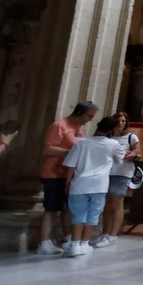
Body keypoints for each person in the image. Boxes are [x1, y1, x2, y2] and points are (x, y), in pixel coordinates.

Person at [61, 114, 130, 258]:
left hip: (79, 184)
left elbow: (70, 166)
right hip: (99, 185)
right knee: (93, 215)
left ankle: (74, 244)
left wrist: (68, 184)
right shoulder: (113, 144)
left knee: (78, 214)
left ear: (97, 125)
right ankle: (85, 243)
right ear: (111, 130)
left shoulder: (81, 143)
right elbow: (120, 159)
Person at [38, 101, 96, 255]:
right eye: (89, 116)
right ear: (79, 112)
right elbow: (47, 148)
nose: (90, 119)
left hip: (70, 174)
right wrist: (69, 152)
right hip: (54, 173)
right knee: (52, 208)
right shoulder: (59, 126)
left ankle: (67, 238)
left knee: (69, 208)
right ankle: (44, 242)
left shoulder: (79, 129)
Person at [96, 110, 142, 248]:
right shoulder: (107, 136)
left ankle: (113, 235)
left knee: (117, 202)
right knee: (107, 203)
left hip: (122, 172)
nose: (121, 123)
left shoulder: (130, 137)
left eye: (124, 121)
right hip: (106, 172)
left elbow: (139, 151)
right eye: (119, 120)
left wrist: (133, 153)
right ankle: (105, 233)